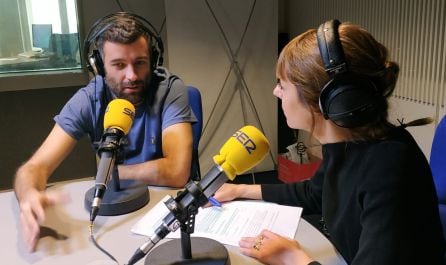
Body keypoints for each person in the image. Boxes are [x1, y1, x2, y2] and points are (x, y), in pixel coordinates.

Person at [212, 20, 446, 264]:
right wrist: (241, 190)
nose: (276, 92)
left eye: (282, 84)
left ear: (327, 100)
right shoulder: (350, 143)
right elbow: (316, 192)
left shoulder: (388, 168)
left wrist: (293, 258)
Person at [14, 12, 196, 252]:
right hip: (116, 214)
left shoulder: (171, 91)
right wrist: (29, 195)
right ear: (98, 66)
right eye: (119, 65)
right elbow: (34, 168)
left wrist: (112, 174)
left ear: (153, 59)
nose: (131, 75)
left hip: (169, 210)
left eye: (140, 62)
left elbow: (176, 171)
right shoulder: (90, 99)